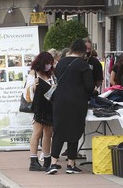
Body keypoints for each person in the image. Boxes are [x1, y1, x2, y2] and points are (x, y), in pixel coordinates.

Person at [46, 39, 94, 174]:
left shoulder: (60, 63)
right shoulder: (82, 65)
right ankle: (71, 164)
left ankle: (53, 163)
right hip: (77, 102)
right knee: (75, 130)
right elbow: (89, 87)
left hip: (59, 101)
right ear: (83, 51)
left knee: (59, 131)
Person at [26, 52, 60, 171]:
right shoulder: (33, 73)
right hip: (39, 107)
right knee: (37, 132)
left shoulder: (51, 74)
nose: (49, 65)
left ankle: (47, 159)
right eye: (47, 63)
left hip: (49, 106)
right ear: (41, 62)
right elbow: (28, 90)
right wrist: (34, 87)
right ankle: (33, 161)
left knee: (48, 133)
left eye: (51, 63)